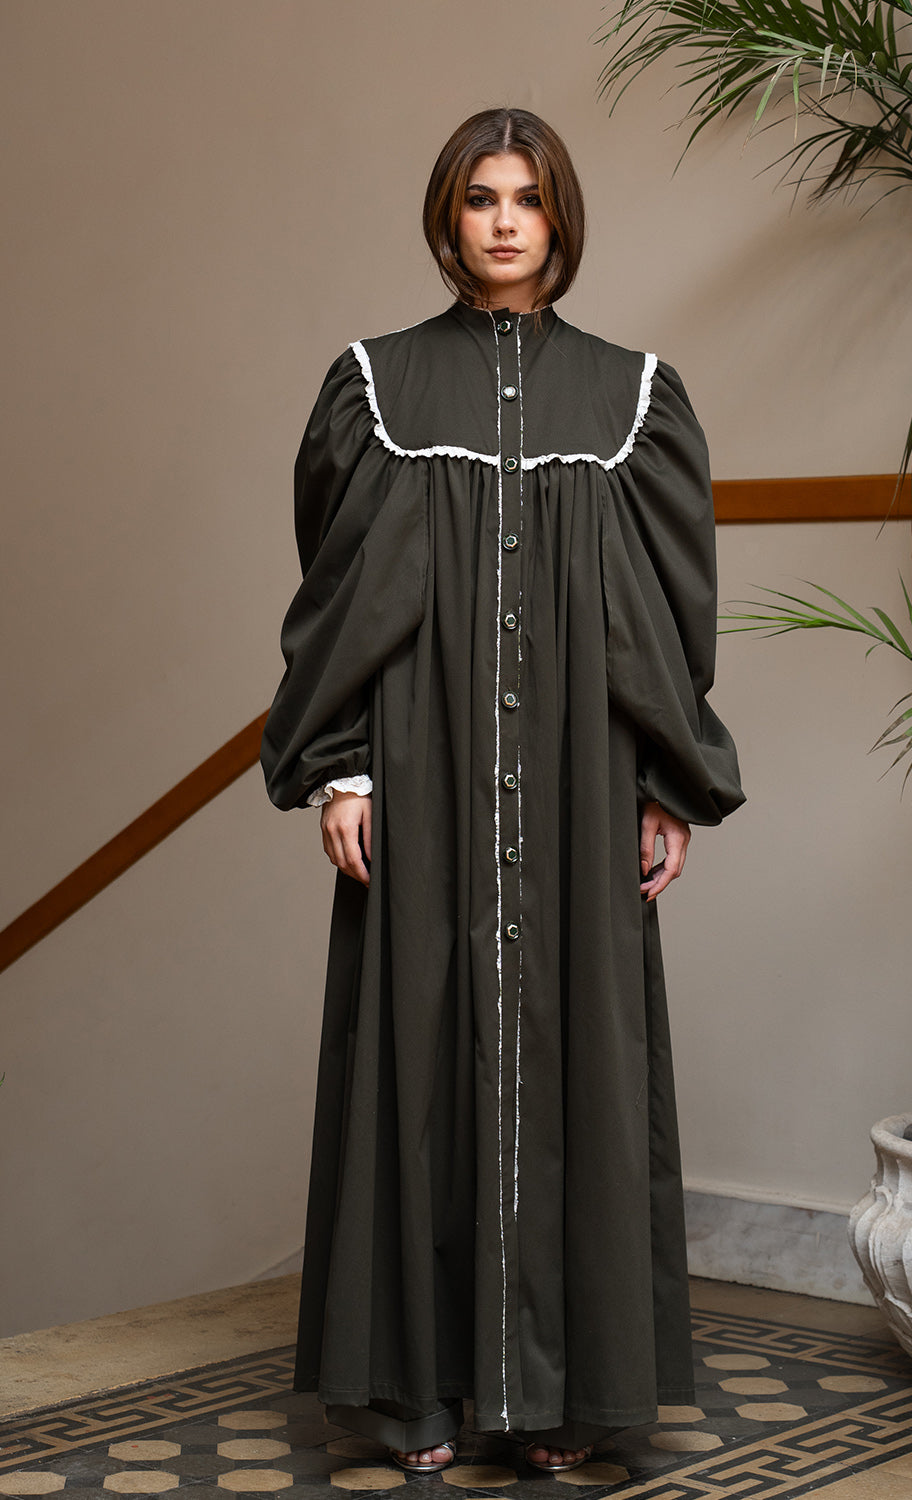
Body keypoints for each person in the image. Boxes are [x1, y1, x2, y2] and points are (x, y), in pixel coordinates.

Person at [261, 106, 744, 1477]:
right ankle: (416, 1398)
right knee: (418, 1062)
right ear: (449, 215)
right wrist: (341, 765)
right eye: (481, 197)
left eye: (528, 198)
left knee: (577, 1061)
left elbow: (664, 615)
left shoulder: (632, 397)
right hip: (421, 774)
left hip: (583, 785)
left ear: (560, 218)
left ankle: (558, 1405)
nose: (505, 222)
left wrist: (662, 780)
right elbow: (340, 597)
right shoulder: (376, 387)